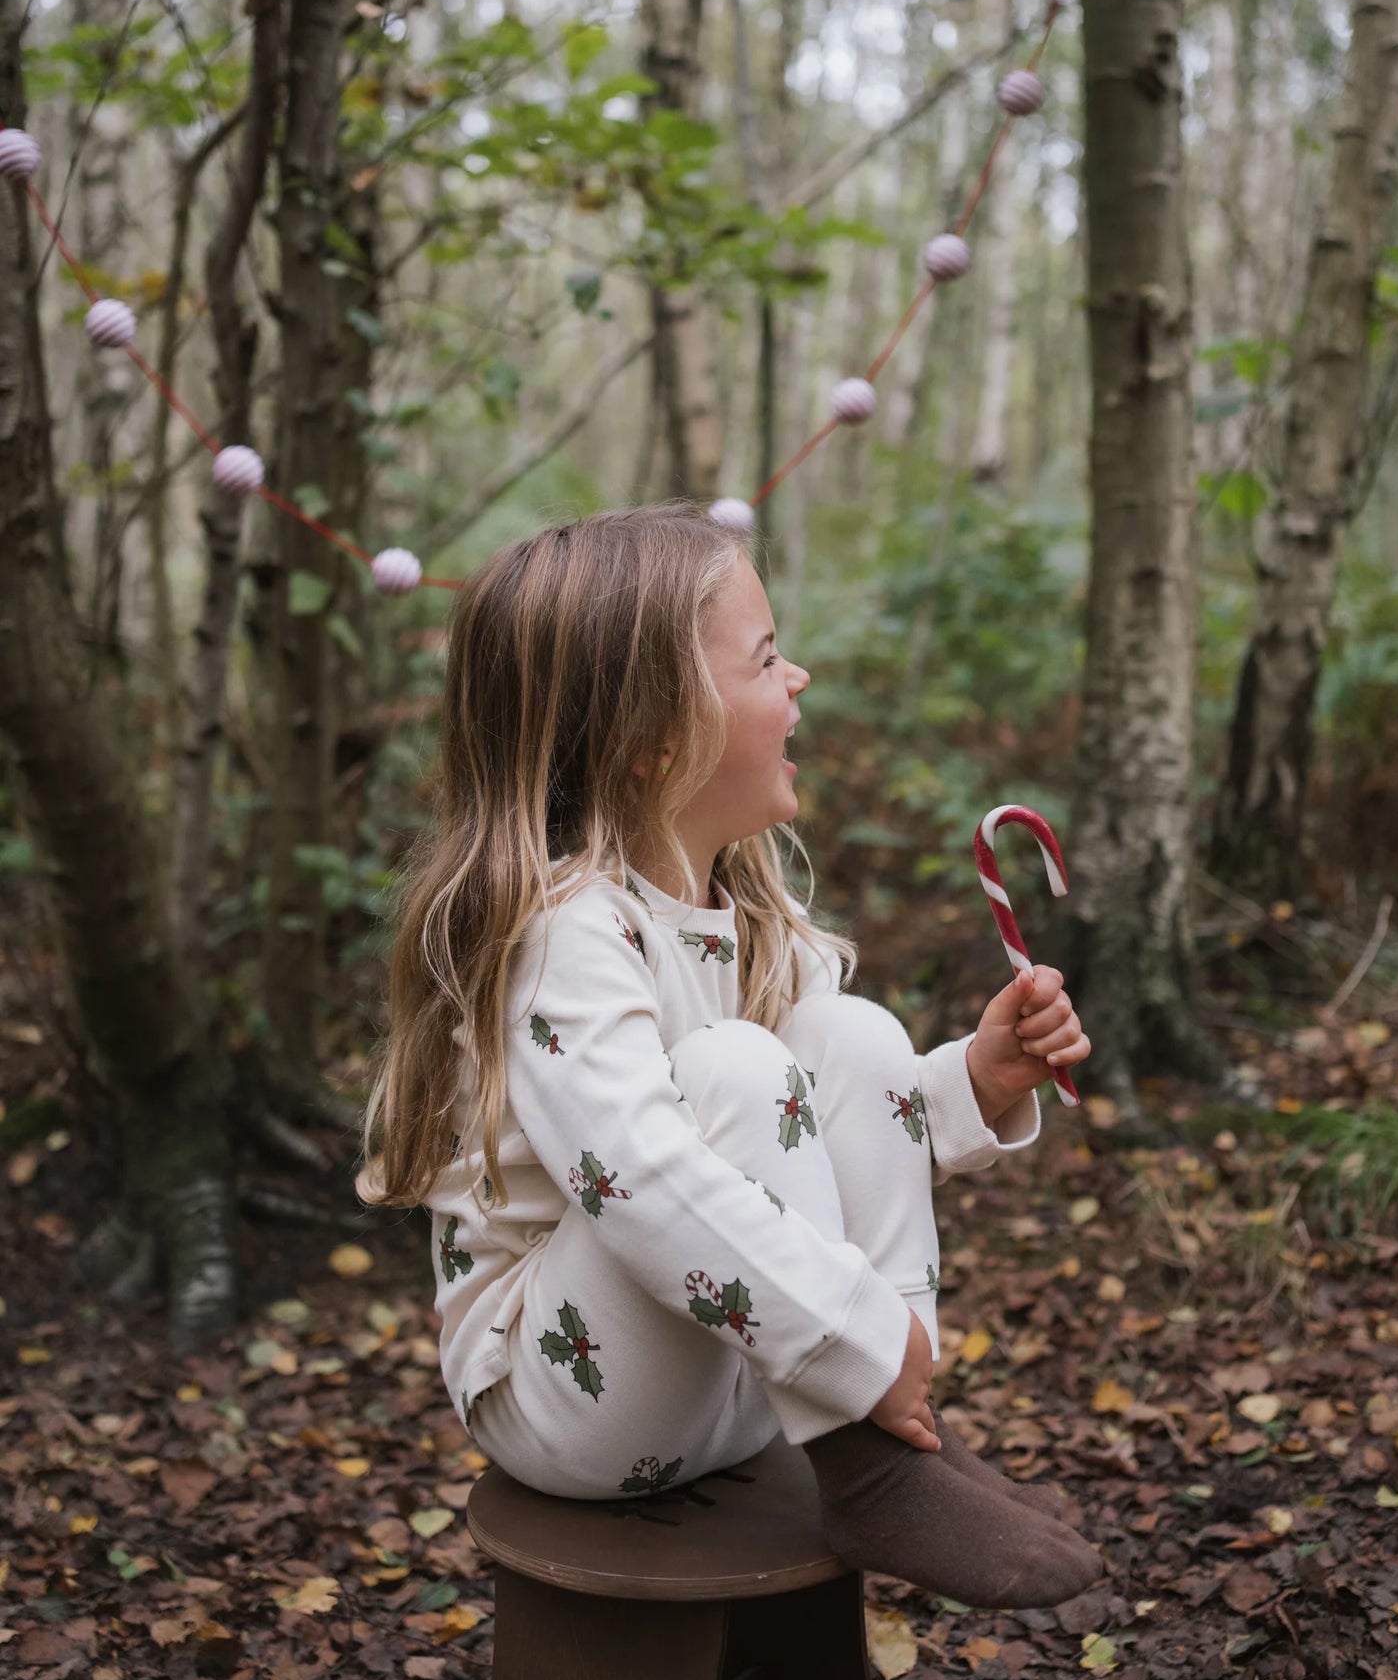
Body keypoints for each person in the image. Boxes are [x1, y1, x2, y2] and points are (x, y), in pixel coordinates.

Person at [359, 503, 1101, 1607]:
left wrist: (973, 1084)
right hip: (567, 1401)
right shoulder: (566, 935)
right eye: (764, 659)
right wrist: (846, 1331)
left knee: (849, 1037)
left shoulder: (747, 911)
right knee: (737, 1073)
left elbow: (824, 1131)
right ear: (659, 734)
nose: (796, 676)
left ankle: (891, 1440)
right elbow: (644, 1178)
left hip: (745, 1375)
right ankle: (869, 1454)